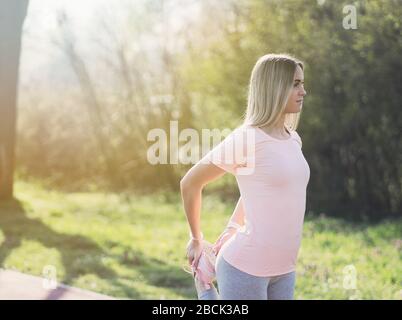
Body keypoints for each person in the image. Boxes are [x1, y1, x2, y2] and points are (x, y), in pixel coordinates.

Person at [180, 53, 310, 300]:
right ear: (274, 88)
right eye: (295, 84)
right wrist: (196, 239)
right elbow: (190, 183)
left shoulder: (292, 138)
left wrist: (231, 227)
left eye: (302, 83)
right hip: (245, 266)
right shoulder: (248, 138)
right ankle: (205, 289)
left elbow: (259, 190)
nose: (303, 91)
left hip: (285, 268)